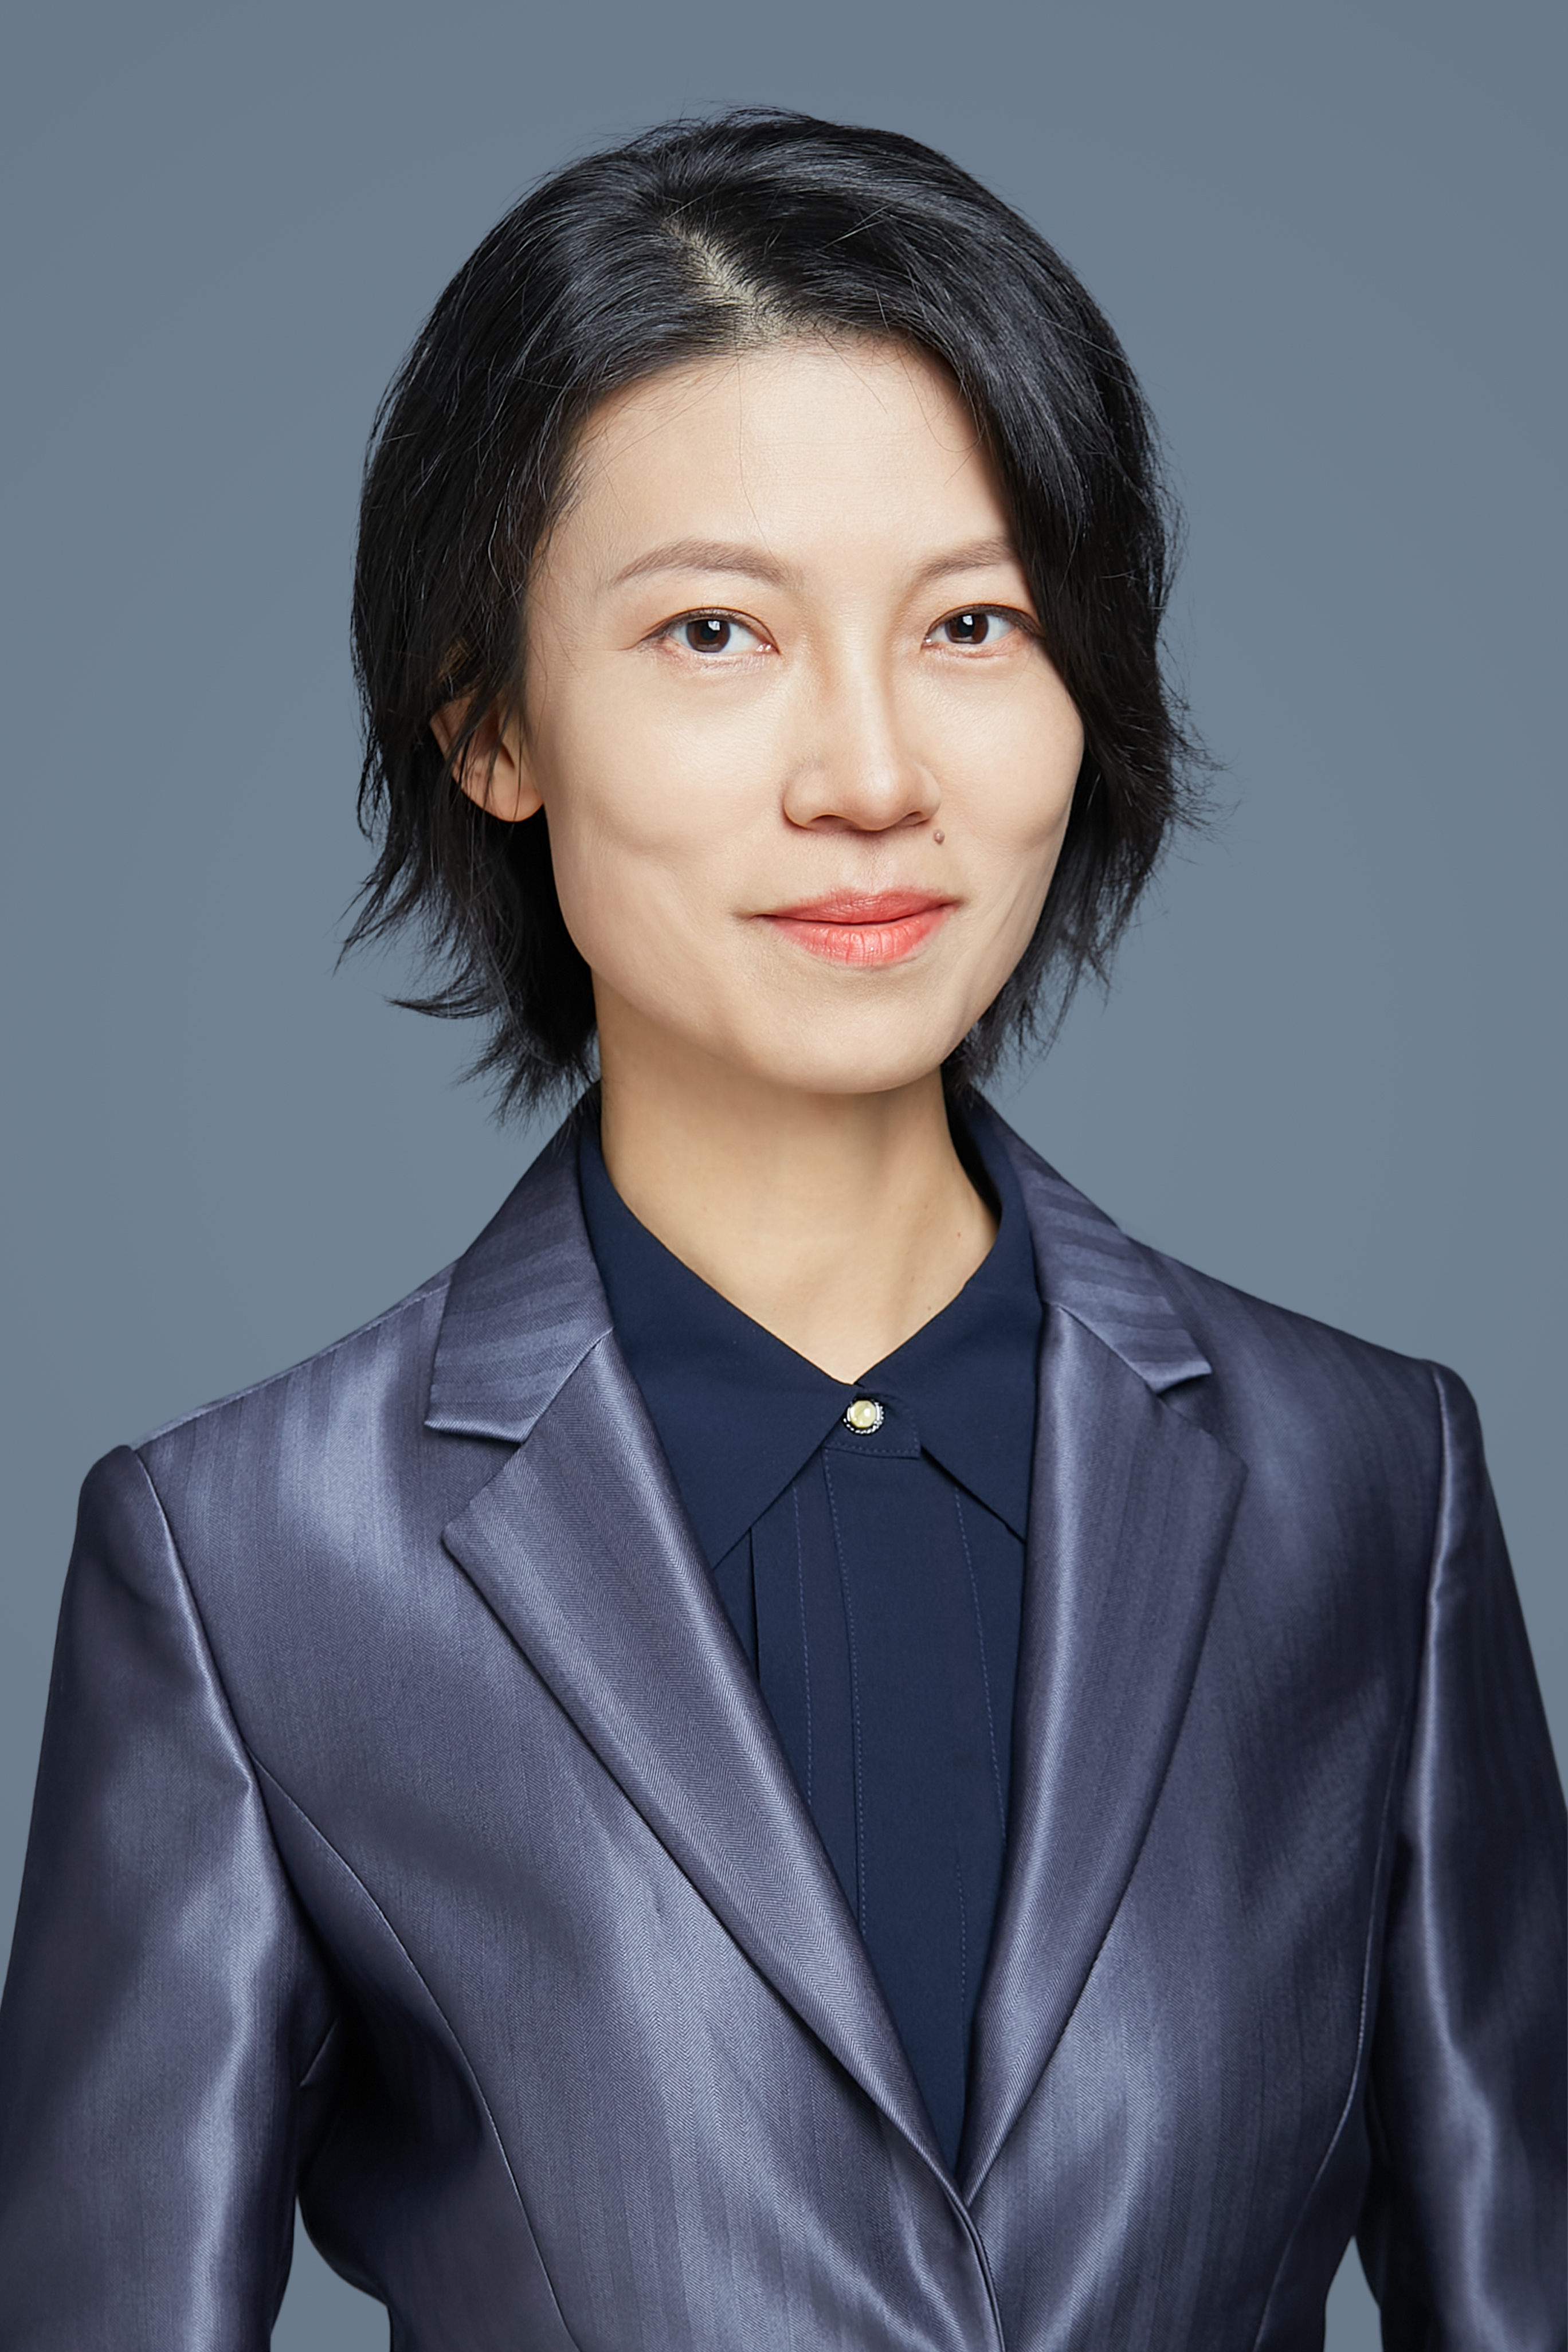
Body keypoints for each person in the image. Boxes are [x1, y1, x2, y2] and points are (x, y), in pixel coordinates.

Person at [0, 108, 1560, 2351]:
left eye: (974, 623)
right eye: (715, 630)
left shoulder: (1368, 1486)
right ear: (491, 724)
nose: (870, 774)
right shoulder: (250, 1566)